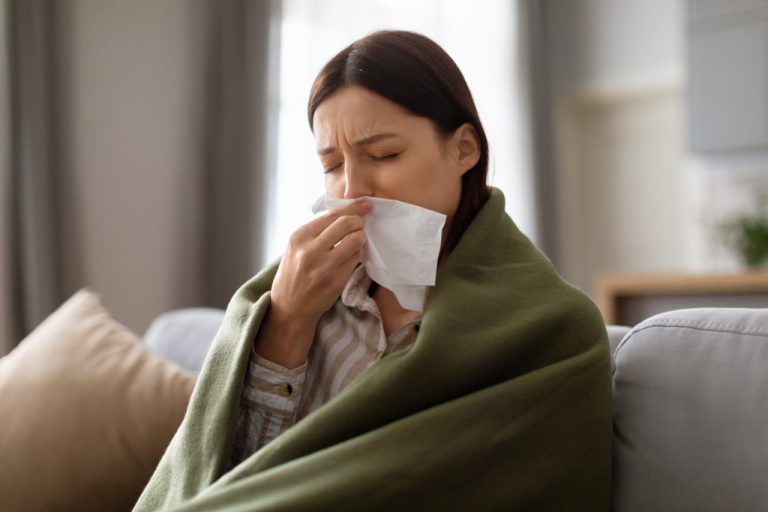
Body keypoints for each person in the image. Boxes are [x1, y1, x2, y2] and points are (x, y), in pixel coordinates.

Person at [133, 30, 613, 512]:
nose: (353, 187)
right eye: (332, 165)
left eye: (384, 155)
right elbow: (233, 481)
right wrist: (287, 320)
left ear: (464, 149)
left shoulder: (551, 329)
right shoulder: (296, 295)